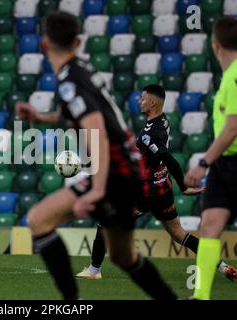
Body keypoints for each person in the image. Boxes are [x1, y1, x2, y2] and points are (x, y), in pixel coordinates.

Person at [16, 12, 177, 300]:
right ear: (78, 41)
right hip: (129, 168)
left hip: (114, 173)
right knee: (123, 257)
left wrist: (98, 189)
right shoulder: (83, 68)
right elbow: (87, 115)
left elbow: (97, 131)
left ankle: (71, 303)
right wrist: (41, 117)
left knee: (38, 220)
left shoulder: (69, 80)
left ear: (43, 45)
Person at [75, 84, 237, 282]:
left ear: (152, 103)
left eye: (142, 98)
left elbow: (166, 157)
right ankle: (223, 266)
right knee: (179, 233)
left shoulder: (148, 134)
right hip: (163, 188)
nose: (139, 101)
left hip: (145, 192)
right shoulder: (162, 121)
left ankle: (94, 270)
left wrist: (184, 186)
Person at [184, 16, 237, 300]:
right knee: (210, 225)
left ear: (215, 44)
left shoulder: (236, 74)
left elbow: (233, 126)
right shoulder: (228, 76)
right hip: (224, 165)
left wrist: (203, 163)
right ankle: (201, 296)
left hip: (229, 162)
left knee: (210, 226)